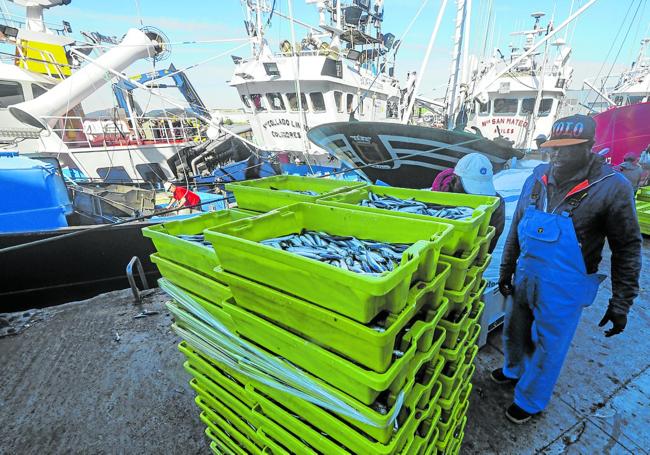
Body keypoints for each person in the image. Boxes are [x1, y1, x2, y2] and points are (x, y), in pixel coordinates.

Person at [494, 115, 642, 424]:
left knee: (548, 346)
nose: (558, 156)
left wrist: (621, 302)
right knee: (515, 330)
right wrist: (506, 269)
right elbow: (517, 227)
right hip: (526, 274)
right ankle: (513, 370)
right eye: (553, 148)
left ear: (589, 147)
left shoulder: (613, 187)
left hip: (566, 285)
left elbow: (626, 248)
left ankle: (530, 400)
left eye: (568, 149)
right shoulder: (536, 178)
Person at [432, 153, 506, 253]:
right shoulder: (437, 195)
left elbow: (490, 241)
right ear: (455, 180)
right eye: (470, 188)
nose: (478, 196)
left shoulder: (497, 203)